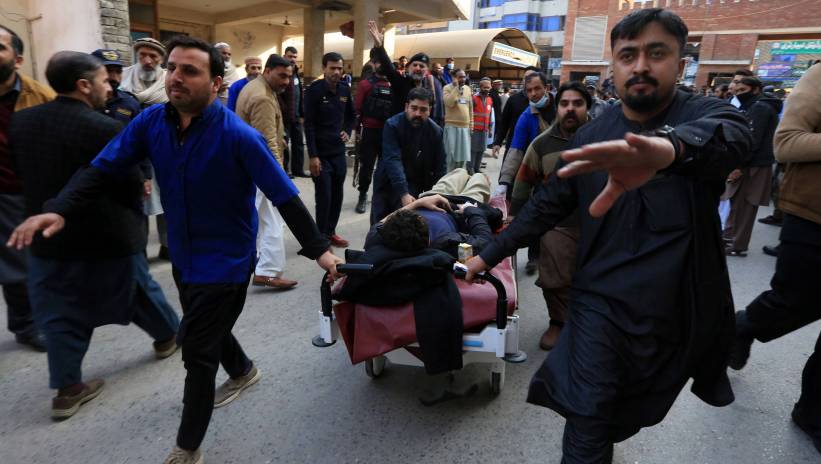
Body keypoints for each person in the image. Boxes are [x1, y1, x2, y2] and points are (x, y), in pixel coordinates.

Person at [7, 36, 342, 464]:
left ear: (216, 83)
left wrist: (320, 251)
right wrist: (59, 208)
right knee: (204, 329)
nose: (175, 78)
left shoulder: (240, 137)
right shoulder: (151, 122)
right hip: (184, 256)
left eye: (189, 71)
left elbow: (285, 197)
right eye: (172, 68)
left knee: (197, 351)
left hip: (226, 263)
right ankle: (243, 370)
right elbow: (102, 168)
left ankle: (187, 448)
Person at [465, 9, 751, 462]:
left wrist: (669, 149)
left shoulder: (703, 113)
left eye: (657, 53)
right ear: (614, 66)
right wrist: (486, 257)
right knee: (588, 416)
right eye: (628, 55)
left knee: (626, 408)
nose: (641, 66)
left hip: (674, 307)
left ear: (681, 65)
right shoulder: (593, 137)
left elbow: (733, 136)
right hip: (600, 303)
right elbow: (543, 207)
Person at [8, 51, 180, 419]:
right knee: (138, 291)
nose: (110, 87)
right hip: (108, 237)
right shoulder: (104, 128)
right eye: (104, 80)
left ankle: (68, 389)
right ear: (84, 85)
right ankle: (169, 337)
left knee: (60, 314)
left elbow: (21, 175)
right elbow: (129, 184)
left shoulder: (21, 122)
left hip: (48, 237)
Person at [728, 62, 821, 456]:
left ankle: (814, 413)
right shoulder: (818, 77)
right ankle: (744, 325)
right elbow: (786, 143)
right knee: (795, 300)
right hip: (814, 216)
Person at [510, 81, 591, 350]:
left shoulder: (605, 138)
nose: (570, 109)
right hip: (557, 225)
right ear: (557, 108)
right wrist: (515, 217)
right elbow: (523, 183)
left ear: (588, 107)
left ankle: (587, 325)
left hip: (598, 225)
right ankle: (558, 322)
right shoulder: (542, 144)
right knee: (553, 279)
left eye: (577, 104)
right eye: (564, 104)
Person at [0, 25, 52, 351]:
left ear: (17, 59)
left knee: (23, 264)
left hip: (24, 192)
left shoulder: (40, 96)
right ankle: (27, 323)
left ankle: (29, 322)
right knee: (13, 265)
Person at [235, 54, 298, 290]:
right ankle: (268, 272)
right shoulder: (262, 97)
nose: (286, 82)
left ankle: (260, 266)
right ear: (268, 71)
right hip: (261, 171)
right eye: (282, 76)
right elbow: (267, 142)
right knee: (273, 222)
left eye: (289, 77)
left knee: (261, 220)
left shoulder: (256, 87)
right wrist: (279, 179)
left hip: (250, 169)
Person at [498, 71, 556, 276]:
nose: (533, 94)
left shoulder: (563, 107)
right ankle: (534, 257)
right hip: (539, 175)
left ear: (547, 88)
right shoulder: (526, 117)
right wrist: (505, 181)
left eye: (537, 89)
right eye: (529, 90)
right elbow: (516, 150)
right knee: (537, 215)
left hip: (566, 172)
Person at [120, 37, 169, 259]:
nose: (147, 60)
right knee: (137, 197)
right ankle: (139, 248)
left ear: (161, 59)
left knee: (166, 197)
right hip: (133, 148)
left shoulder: (169, 79)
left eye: (153, 56)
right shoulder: (125, 77)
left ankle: (168, 246)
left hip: (163, 147)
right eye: (142, 55)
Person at [723, 76, 781, 256]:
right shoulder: (755, 106)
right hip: (749, 162)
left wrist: (739, 166)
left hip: (753, 164)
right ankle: (729, 238)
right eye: (737, 91)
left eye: (743, 90)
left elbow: (752, 140)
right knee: (736, 203)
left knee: (745, 206)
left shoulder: (760, 108)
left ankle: (737, 245)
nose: (739, 94)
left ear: (755, 89)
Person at [370, 87, 446, 225]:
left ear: (430, 110)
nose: (418, 113)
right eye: (414, 108)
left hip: (414, 184)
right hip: (387, 181)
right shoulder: (392, 125)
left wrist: (436, 194)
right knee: (379, 225)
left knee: (403, 227)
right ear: (406, 107)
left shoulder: (436, 132)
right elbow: (393, 159)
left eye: (423, 110)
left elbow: (440, 167)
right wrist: (403, 193)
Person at [303, 52, 355, 248]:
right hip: (321, 154)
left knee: (337, 195)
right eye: (332, 68)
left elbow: (351, 116)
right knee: (324, 195)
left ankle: (331, 232)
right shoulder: (314, 91)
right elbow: (309, 125)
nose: (336, 72)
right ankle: (321, 236)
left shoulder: (344, 89)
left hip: (338, 152)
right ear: (324, 68)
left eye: (339, 68)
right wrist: (313, 156)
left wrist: (347, 130)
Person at [91, 49, 154, 200]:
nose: (113, 77)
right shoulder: (86, 101)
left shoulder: (129, 103)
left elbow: (141, 140)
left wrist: (146, 176)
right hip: (91, 174)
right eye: (108, 71)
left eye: (118, 71)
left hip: (125, 174)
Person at [367, 20, 445, 127]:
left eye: (422, 66)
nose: (418, 68)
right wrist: (379, 46)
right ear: (408, 68)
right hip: (398, 131)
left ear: (426, 70)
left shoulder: (428, 89)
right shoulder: (400, 82)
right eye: (415, 65)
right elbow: (388, 67)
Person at [353, 49, 392, 214]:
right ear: (373, 64)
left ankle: (381, 196)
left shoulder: (392, 84)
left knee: (386, 167)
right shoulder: (365, 84)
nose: (380, 65)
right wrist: (357, 131)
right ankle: (362, 195)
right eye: (377, 62)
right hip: (369, 131)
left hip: (387, 133)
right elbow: (357, 109)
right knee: (367, 166)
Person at [491, 66, 540, 160]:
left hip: (535, 149)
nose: (526, 80)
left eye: (530, 78)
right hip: (513, 146)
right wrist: (498, 142)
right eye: (525, 78)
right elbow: (504, 123)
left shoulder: (543, 102)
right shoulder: (513, 99)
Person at [282, 46, 308, 178]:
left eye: (295, 57)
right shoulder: (281, 72)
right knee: (284, 144)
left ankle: (298, 170)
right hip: (284, 116)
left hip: (297, 117)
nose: (292, 59)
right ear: (284, 56)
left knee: (298, 144)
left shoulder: (296, 72)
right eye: (290, 56)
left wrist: (302, 114)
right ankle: (284, 171)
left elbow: (300, 95)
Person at [442, 68, 472, 172]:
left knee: (463, 158)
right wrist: (456, 88)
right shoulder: (447, 88)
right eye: (460, 77)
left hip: (465, 128)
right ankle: (448, 177)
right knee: (451, 157)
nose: (463, 79)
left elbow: (470, 108)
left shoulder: (468, 89)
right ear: (454, 78)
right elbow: (449, 103)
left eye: (464, 77)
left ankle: (459, 177)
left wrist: (471, 125)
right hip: (452, 127)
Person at [470, 77, 494, 174]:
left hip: (485, 130)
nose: (487, 89)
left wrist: (490, 129)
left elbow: (489, 115)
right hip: (475, 129)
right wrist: (470, 128)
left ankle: (477, 168)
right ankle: (470, 168)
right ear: (480, 87)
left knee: (482, 149)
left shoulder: (490, 100)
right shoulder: (474, 98)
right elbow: (470, 114)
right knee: (473, 149)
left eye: (488, 87)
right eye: (485, 87)